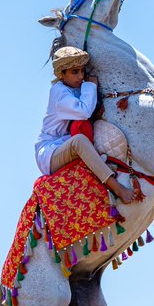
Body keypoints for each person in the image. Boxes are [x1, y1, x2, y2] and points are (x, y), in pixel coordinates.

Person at [35, 47, 135, 204]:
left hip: (66, 144)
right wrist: (90, 86)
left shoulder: (75, 87)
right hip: (51, 153)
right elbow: (84, 112)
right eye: (74, 72)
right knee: (79, 141)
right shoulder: (59, 91)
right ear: (62, 74)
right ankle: (116, 187)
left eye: (82, 71)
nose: (80, 76)